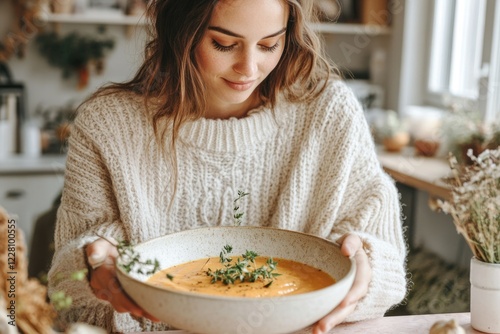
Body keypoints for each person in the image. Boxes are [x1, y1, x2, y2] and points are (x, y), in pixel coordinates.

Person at [48, 0, 408, 333]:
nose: (249, 69)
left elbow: (385, 264)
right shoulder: (107, 125)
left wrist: (367, 272)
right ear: (181, 32)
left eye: (269, 45)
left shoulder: (330, 114)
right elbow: (67, 292)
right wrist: (91, 273)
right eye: (223, 44)